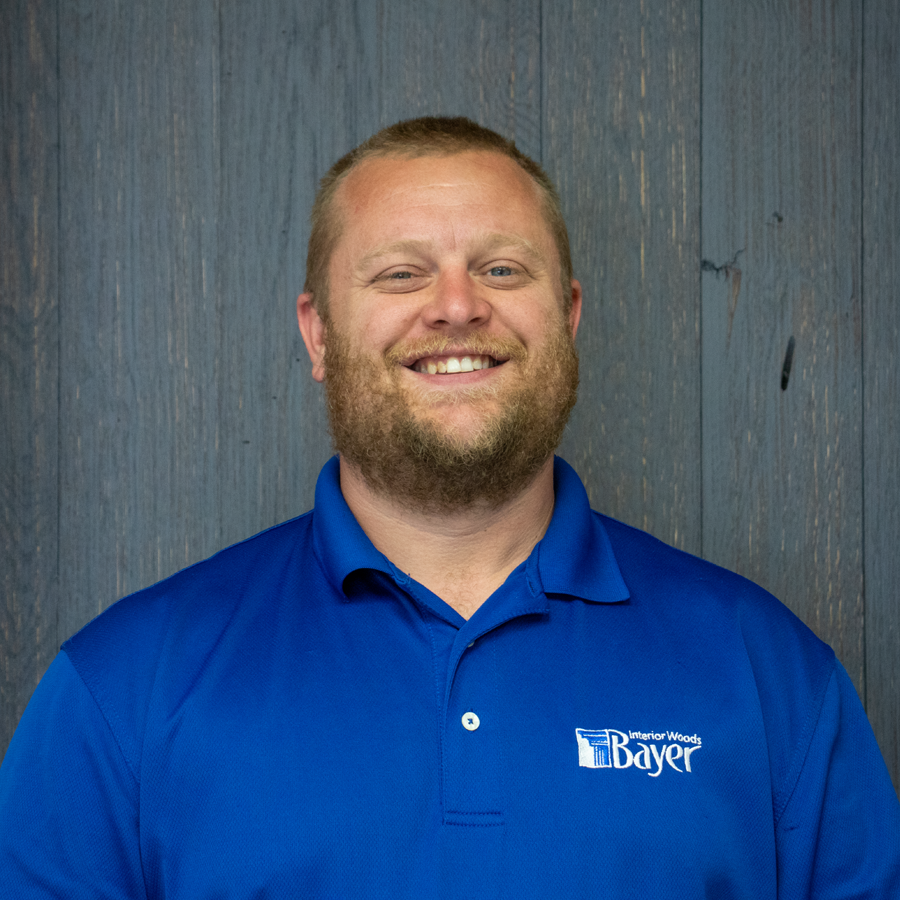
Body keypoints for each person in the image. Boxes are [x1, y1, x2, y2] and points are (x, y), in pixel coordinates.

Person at [0, 116, 897, 898]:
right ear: (318, 334)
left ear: (569, 317)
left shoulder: (771, 675)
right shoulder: (121, 690)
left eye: (503, 268)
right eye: (400, 274)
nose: (458, 306)